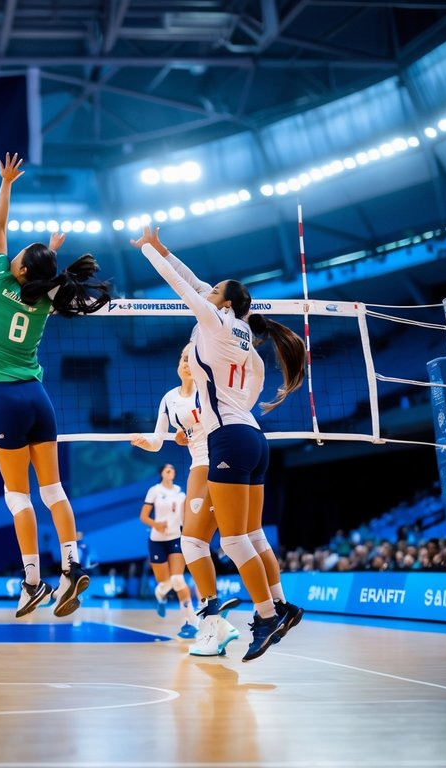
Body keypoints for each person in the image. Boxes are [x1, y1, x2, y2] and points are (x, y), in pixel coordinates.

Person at [131, 225, 306, 661]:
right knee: (249, 534)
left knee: (231, 541)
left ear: (224, 304)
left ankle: (266, 615)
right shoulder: (246, 338)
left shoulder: (213, 323)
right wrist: (160, 246)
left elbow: (181, 288)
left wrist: (150, 256)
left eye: (214, 295)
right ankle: (279, 605)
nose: (206, 296)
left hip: (225, 439)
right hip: (252, 437)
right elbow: (194, 283)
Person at [0, 153, 110, 618]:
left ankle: (32, 580)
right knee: (53, 490)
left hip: (8, 400)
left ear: (21, 272)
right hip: (39, 398)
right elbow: (49, 279)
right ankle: (72, 565)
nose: (10, 255)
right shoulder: (50, 298)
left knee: (18, 497)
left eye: (18, 258)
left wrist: (6, 184)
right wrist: (50, 250)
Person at [132, 344, 240, 654]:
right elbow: (158, 439)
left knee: (211, 540)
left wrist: (192, 430)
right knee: (202, 541)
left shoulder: (210, 390)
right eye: (181, 357)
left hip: (216, 462)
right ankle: (219, 621)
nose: (185, 362)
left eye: (191, 358)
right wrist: (145, 441)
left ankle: (226, 619)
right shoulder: (169, 398)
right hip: (198, 466)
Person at [136, 464, 199, 639]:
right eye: (167, 469)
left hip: (175, 538)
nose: (171, 471)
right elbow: (143, 516)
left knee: (178, 579)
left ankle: (190, 621)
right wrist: (156, 524)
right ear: (161, 473)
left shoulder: (181, 493)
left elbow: (186, 517)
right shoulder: (154, 491)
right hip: (157, 540)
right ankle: (161, 596)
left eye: (173, 469)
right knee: (164, 583)